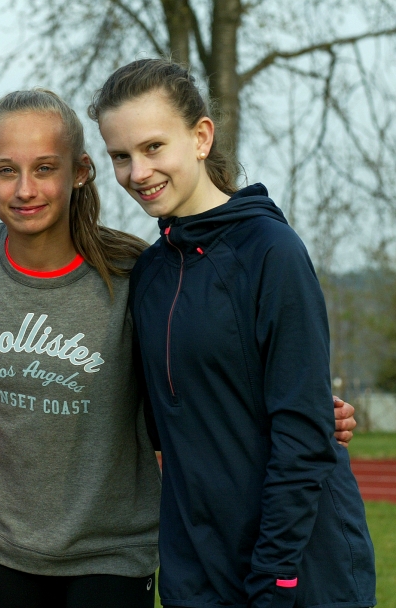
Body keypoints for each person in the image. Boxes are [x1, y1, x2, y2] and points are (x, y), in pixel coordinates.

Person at [90, 58, 375, 608]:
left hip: (299, 570)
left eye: (153, 147)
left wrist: (275, 580)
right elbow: (160, 423)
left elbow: (301, 440)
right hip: (196, 574)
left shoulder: (272, 252)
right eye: (120, 156)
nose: (137, 172)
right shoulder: (150, 274)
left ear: (201, 137)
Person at [0, 89, 161, 608]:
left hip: (112, 551)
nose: (25, 189)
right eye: (7, 170)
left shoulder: (133, 274)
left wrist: (295, 402)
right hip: (4, 548)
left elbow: (205, 361)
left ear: (80, 171)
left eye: (45, 168)